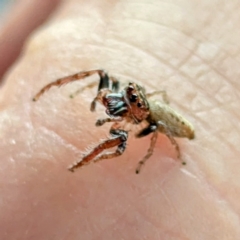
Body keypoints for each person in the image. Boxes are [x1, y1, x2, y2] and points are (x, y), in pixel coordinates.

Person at [0, 0, 239, 239]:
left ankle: (86, 162)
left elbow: (142, 136)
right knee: (102, 74)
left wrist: (145, 157)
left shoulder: (146, 117)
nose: (117, 102)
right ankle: (62, 101)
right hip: (149, 107)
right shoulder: (122, 95)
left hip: (170, 122)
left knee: (145, 133)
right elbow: (107, 82)